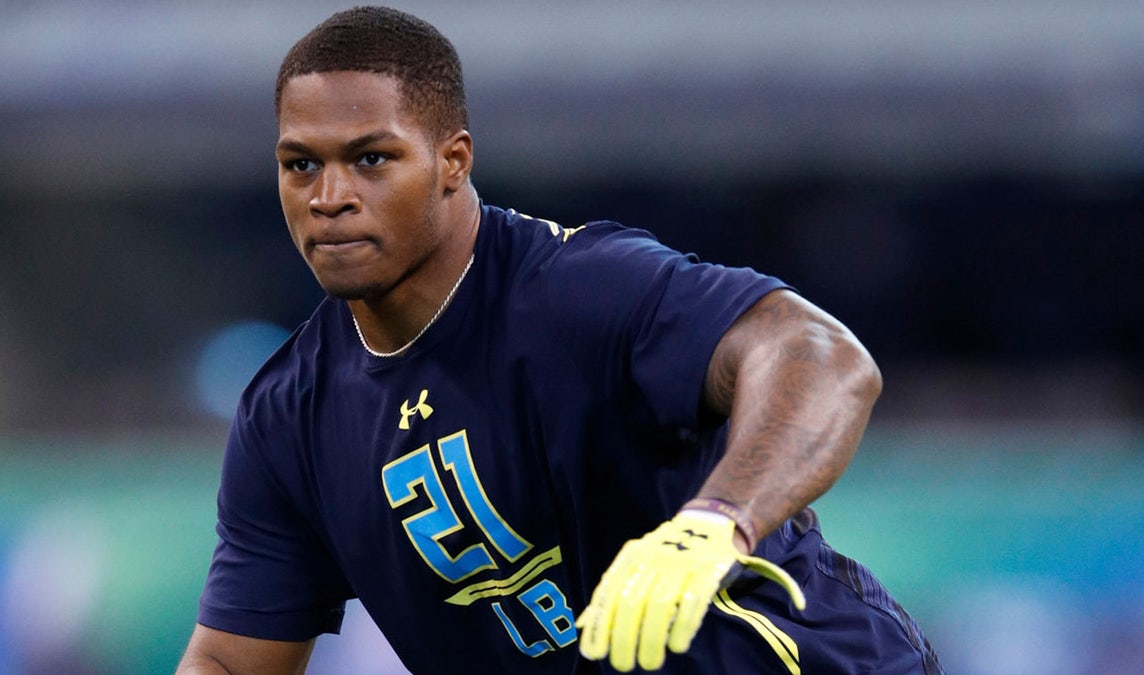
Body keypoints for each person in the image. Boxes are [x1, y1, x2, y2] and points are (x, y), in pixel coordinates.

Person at [176, 6, 942, 674]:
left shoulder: (578, 290)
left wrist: (718, 521)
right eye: (299, 164)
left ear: (453, 161)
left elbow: (823, 357)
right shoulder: (286, 421)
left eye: (371, 158)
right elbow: (230, 659)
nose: (329, 196)